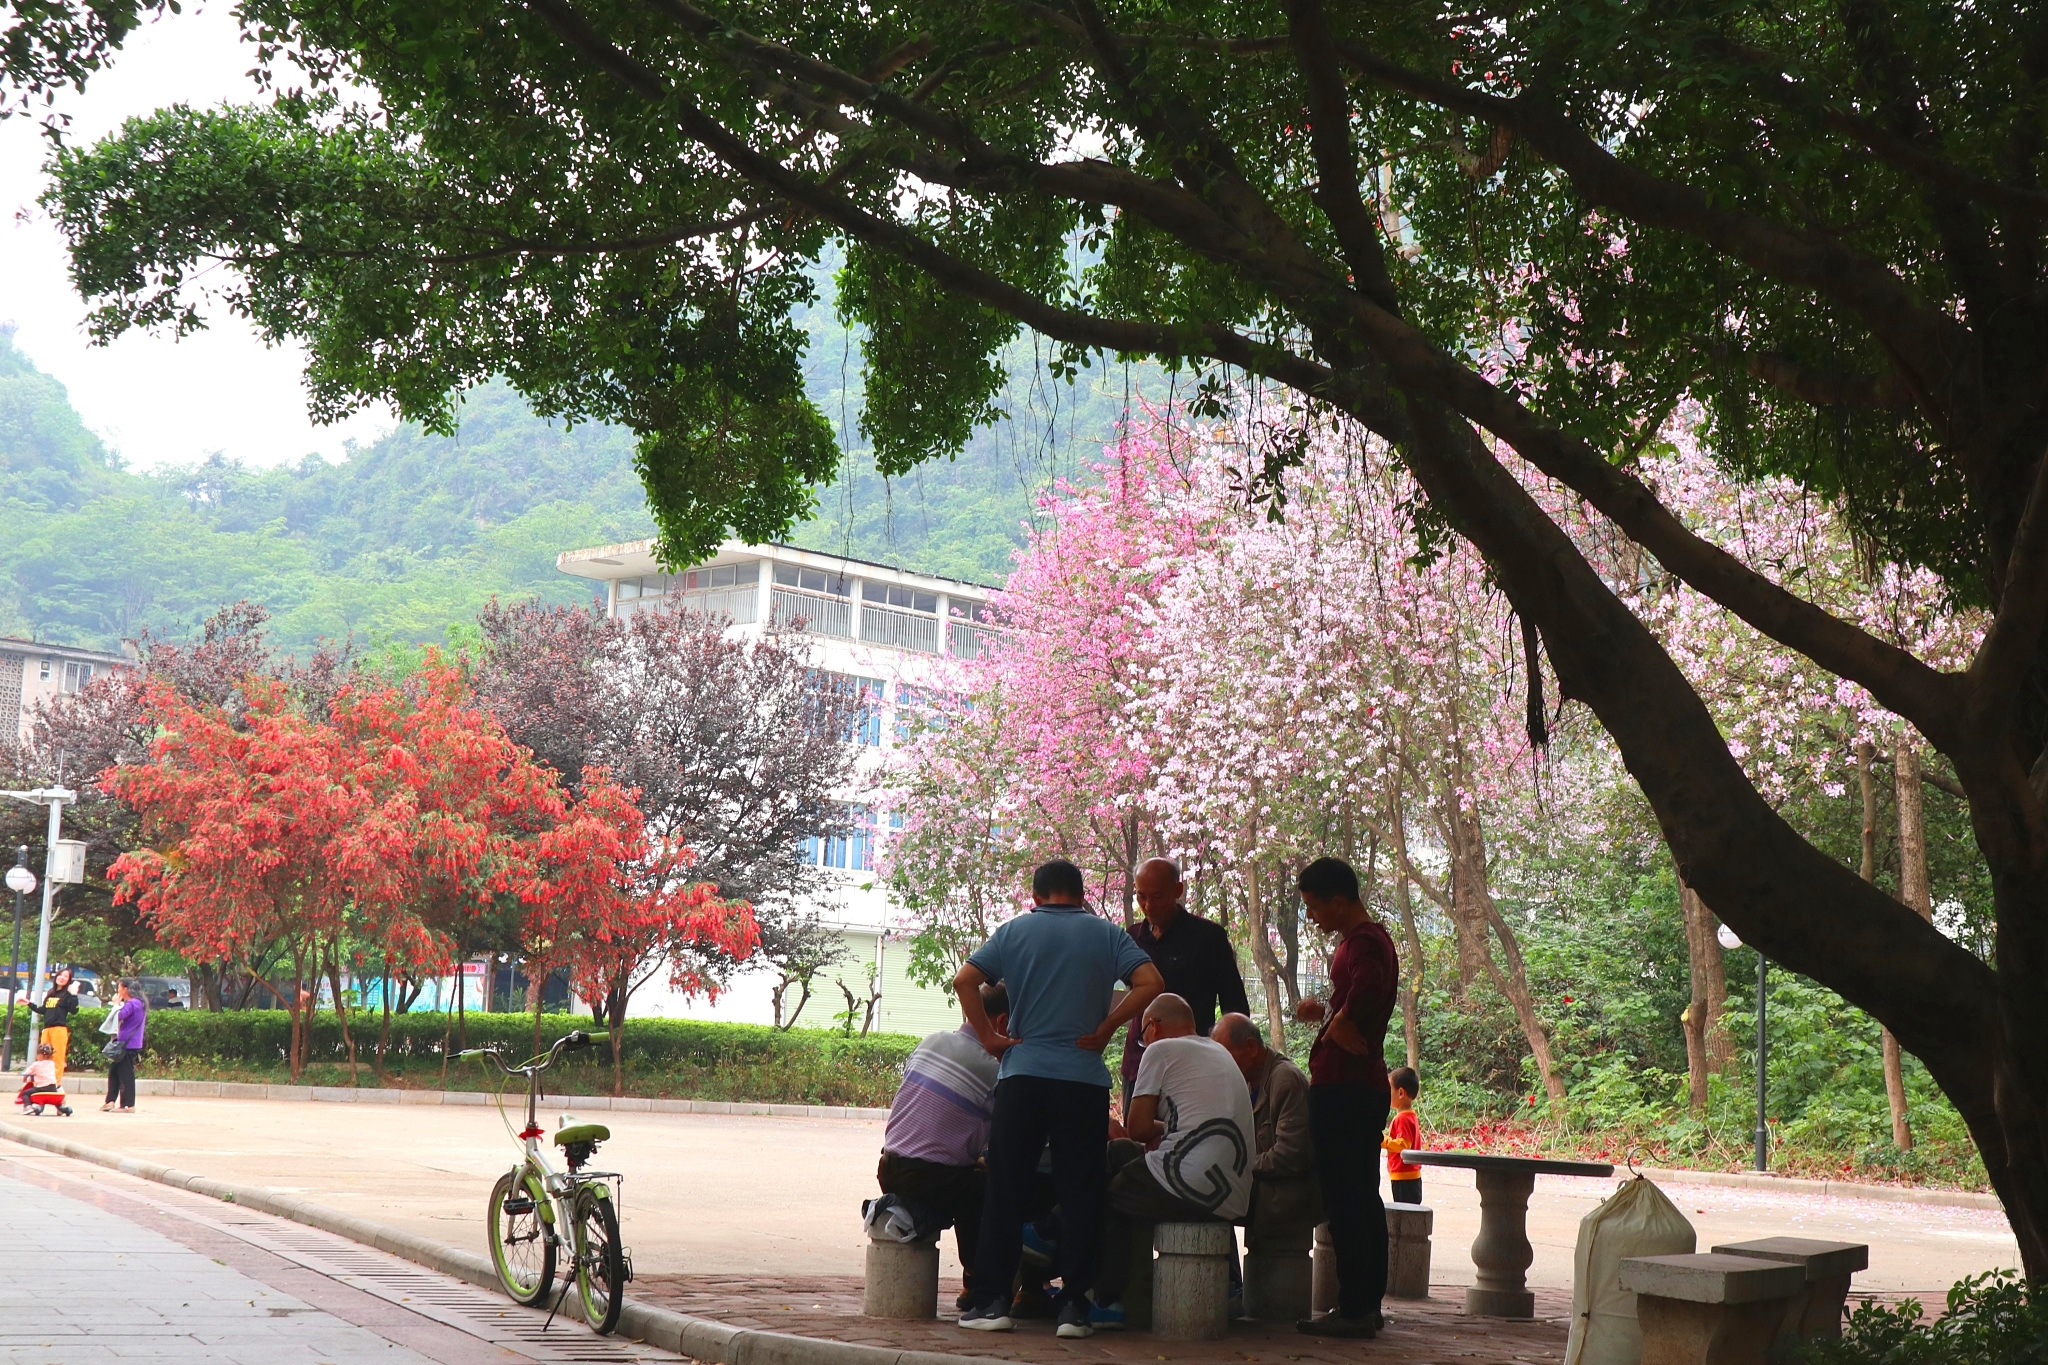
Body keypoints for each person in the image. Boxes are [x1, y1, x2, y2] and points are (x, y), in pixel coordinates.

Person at [953, 859, 1164, 1339]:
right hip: (1083, 1081)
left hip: (1023, 1076)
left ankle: (992, 1303)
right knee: (1081, 1190)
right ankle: (1074, 1308)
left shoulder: (1013, 932)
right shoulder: (1108, 935)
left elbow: (964, 981)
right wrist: (1108, 1027)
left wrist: (988, 1038)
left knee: (1006, 1185)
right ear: (1080, 893)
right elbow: (1152, 983)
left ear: (1037, 894)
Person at [1090, 994, 1256, 1325]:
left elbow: (1136, 1127)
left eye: (1141, 1035)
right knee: (1121, 1157)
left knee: (1106, 1192)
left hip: (1187, 1182)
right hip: (1233, 1196)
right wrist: (1166, 1126)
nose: (1143, 1042)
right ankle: (1050, 1236)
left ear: (1153, 1026)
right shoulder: (1218, 1051)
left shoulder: (1160, 1050)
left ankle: (1106, 1297)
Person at [1291, 857, 1399, 1339]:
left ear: (1339, 900)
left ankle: (1355, 1307)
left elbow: (1369, 985)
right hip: (1358, 1085)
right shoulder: (1370, 941)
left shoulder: (1363, 942)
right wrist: (1330, 1011)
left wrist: (1340, 1020)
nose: (1311, 916)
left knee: (1346, 1199)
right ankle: (1363, 1304)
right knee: (1360, 1197)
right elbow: (1358, 991)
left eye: (1314, 906)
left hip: (1346, 1087)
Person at [877, 982, 1012, 1311]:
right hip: (931, 1177)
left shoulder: (931, 1041)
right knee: (991, 1193)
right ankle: (982, 1287)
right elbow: (1006, 1142)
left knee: (969, 1180)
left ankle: (973, 1282)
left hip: (890, 1167)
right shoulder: (994, 1071)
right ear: (1003, 1022)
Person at [1120, 858, 1249, 1108]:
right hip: (1140, 1061)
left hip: (1192, 1064)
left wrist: (1228, 1055)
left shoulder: (1208, 938)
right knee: (1137, 1138)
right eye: (1141, 896)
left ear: (1178, 891)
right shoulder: (1133, 937)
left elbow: (1235, 1005)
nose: (1148, 905)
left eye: (1157, 896)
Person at [1216, 1013, 1319, 1253]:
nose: (1222, 1065)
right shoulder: (1247, 1082)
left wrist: (1239, 1167)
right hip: (1266, 1187)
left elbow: (1292, 1153)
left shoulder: (1284, 1079)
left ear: (1251, 1047)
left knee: (1207, 1196)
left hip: (1287, 1196)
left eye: (1226, 1055)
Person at [27, 967, 79, 1081]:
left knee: (57, 1057)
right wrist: (29, 1004)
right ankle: (43, 1081)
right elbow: (43, 1010)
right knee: (43, 1056)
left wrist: (74, 994)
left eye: (66, 976)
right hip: (47, 1029)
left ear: (69, 980)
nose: (62, 978)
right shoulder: (51, 993)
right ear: (56, 976)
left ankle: (56, 1083)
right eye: (60, 975)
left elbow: (74, 1011)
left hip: (59, 1029)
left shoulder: (67, 994)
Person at [102, 978, 146, 1113]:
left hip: (127, 1044)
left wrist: (116, 1004)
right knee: (114, 1072)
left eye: (119, 987)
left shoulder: (132, 1003)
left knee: (126, 1074)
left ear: (125, 989)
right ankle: (110, 1101)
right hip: (127, 1043)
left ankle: (128, 1105)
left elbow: (119, 1016)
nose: (118, 990)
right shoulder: (138, 1003)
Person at [1384, 1066, 1423, 1205]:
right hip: (1410, 1176)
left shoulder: (1403, 1118)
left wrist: (1383, 1141)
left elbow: (1403, 1145)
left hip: (1404, 1176)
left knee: (1405, 1211)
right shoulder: (1411, 1116)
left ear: (1401, 1093)